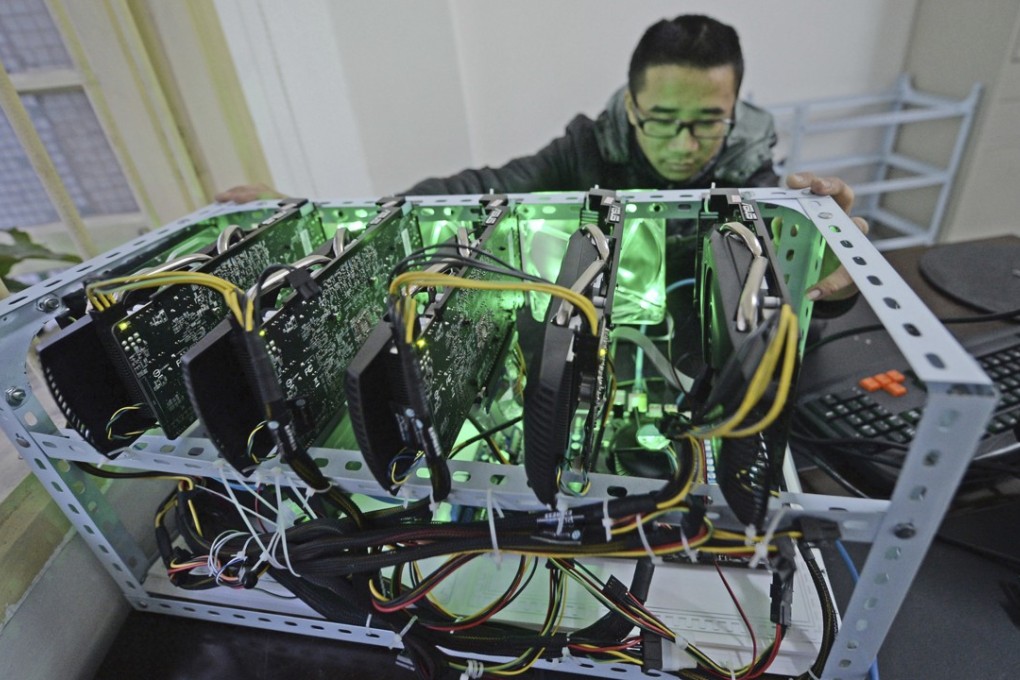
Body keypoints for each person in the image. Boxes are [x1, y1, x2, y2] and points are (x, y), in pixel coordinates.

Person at [216, 14, 866, 300]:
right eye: (662, 121)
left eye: (707, 123)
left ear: (734, 112)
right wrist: (323, 215)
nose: (684, 145)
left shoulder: (753, 164)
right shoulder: (587, 146)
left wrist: (827, 267)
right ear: (631, 107)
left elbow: (775, 271)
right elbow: (478, 186)